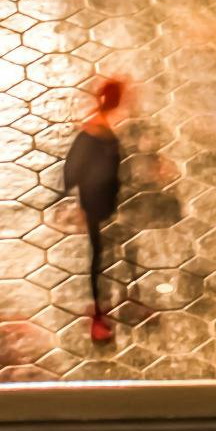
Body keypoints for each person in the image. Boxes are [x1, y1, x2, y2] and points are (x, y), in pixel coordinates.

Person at [62, 74, 131, 345]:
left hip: (107, 200)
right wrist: (78, 204)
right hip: (96, 202)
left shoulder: (102, 129)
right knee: (98, 256)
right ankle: (98, 312)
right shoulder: (93, 134)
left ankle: (112, 302)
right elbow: (73, 170)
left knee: (108, 253)